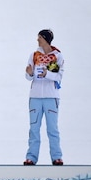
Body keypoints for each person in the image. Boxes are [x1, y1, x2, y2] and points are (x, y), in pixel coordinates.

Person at [23, 29, 64, 166]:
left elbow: (58, 77)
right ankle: (31, 158)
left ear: (45, 38)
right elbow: (29, 76)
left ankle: (56, 157)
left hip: (51, 97)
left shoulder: (56, 56)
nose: (37, 39)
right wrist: (29, 73)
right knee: (34, 128)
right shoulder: (34, 55)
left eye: (39, 37)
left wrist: (47, 74)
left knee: (52, 128)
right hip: (35, 97)